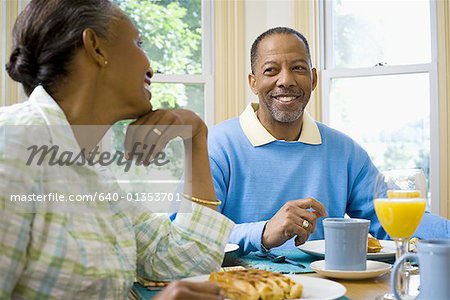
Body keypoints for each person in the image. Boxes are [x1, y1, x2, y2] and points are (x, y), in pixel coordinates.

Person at [0, 0, 233, 299]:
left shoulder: (92, 173)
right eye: (138, 43)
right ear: (96, 48)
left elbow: (186, 259)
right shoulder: (13, 141)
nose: (151, 67)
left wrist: (196, 135)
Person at [208, 27, 449, 255]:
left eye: (298, 68)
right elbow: (186, 235)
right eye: (271, 70)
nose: (286, 80)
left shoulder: (345, 152)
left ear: (313, 79)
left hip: (332, 286)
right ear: (253, 82)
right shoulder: (216, 147)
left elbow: (394, 221)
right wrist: (262, 232)